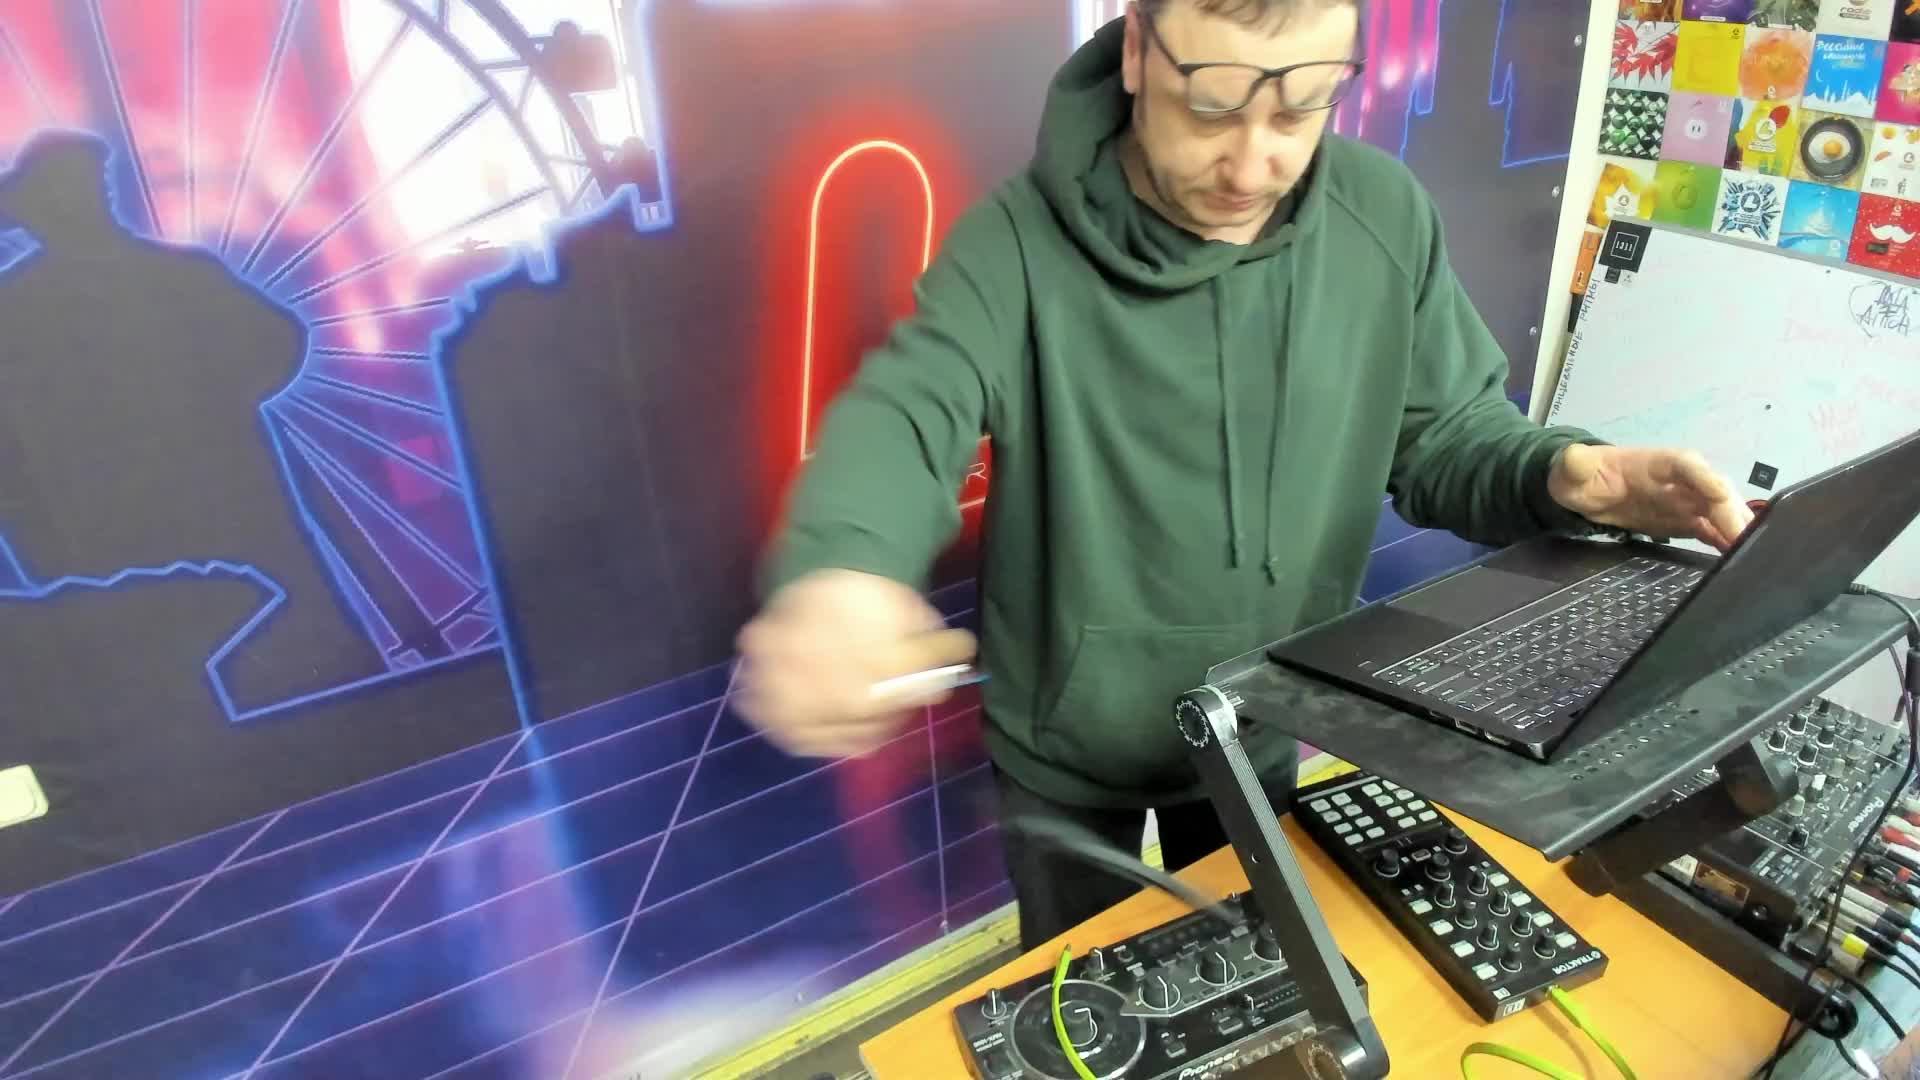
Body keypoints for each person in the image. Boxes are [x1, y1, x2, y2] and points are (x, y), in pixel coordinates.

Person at [736, 0, 1753, 951]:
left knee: (1262, 986)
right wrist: (843, 571)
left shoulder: (1383, 217)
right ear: (1139, 53)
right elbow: (906, 413)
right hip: (1064, 750)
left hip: (1264, 716)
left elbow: (1447, 435)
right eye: (1213, 106)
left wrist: (1566, 475)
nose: (1254, 163)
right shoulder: (1014, 244)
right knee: (1079, 1011)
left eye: (1302, 107)